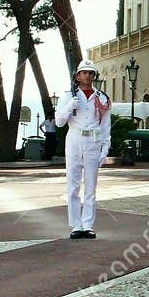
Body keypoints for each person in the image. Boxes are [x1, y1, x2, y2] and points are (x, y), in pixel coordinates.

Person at [55, 59, 111, 240]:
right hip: (74, 138)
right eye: (84, 72)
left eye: (91, 73)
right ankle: (76, 225)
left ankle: (88, 225)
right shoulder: (68, 97)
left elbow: (105, 125)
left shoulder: (102, 98)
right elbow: (59, 122)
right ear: (78, 76)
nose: (88, 76)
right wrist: (70, 106)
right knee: (73, 184)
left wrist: (105, 148)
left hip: (93, 140)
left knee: (91, 186)